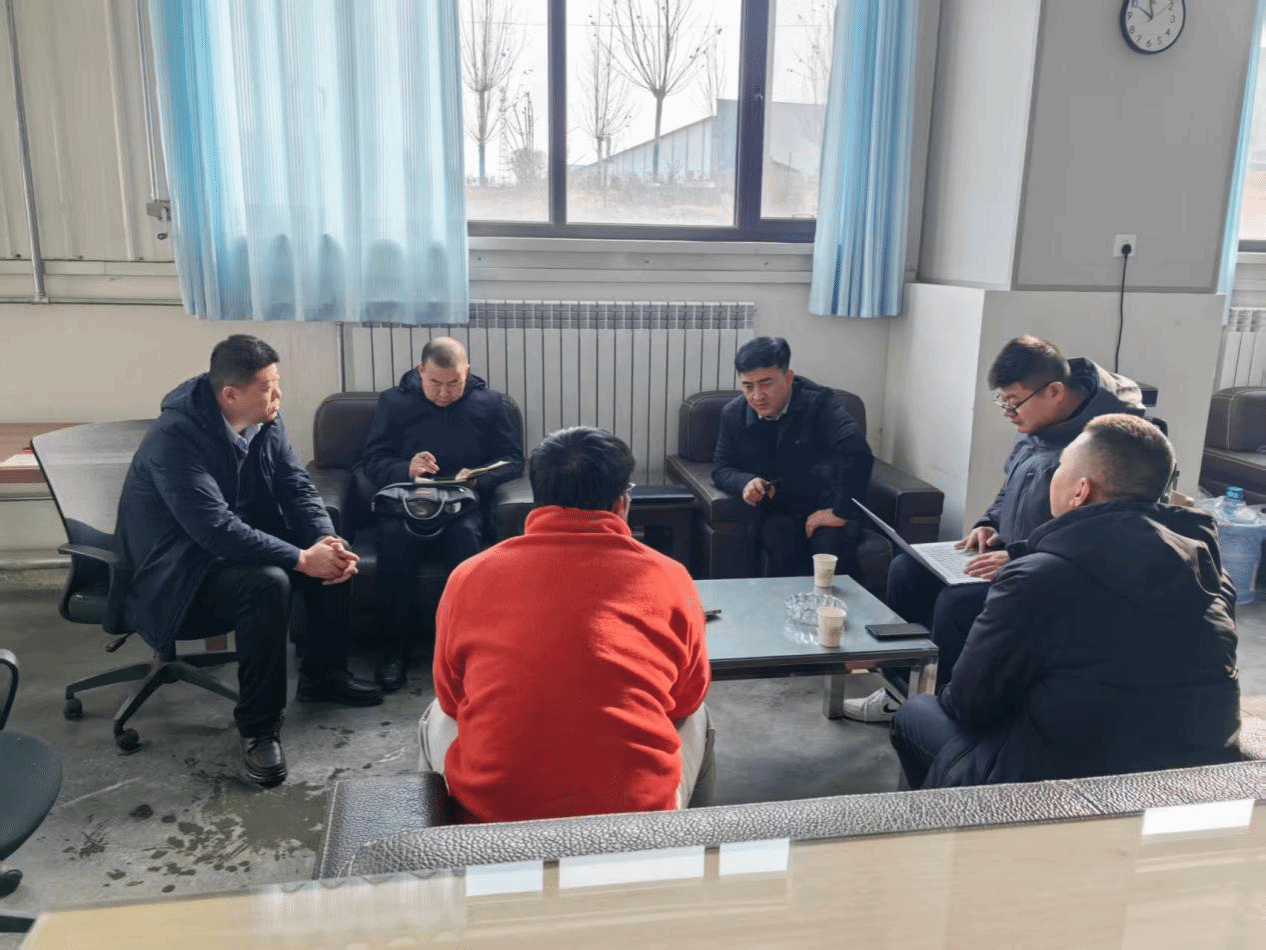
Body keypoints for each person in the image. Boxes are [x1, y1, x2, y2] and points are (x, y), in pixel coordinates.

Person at [889, 413, 1241, 788]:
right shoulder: (1213, 576)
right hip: (1192, 775)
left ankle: (945, 820)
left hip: (1065, 785)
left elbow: (967, 705)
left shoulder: (1036, 580)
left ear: (1080, 491)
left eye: (1059, 468)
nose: (1053, 477)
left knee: (916, 711)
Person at [115, 334, 383, 788]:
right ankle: (259, 728)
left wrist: (324, 540)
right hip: (180, 570)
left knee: (334, 554)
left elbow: (296, 485)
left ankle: (323, 675)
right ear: (230, 395)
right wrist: (301, 558)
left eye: (277, 383)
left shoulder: (264, 419)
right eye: (267, 388)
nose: (278, 395)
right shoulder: (174, 439)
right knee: (267, 583)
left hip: (231, 546)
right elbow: (214, 529)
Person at [419, 426, 713, 823]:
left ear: (536, 497)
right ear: (622, 502)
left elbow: (453, 698)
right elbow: (686, 698)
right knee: (699, 716)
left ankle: (437, 844)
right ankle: (689, 843)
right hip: (633, 818)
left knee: (436, 713)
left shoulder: (469, 576)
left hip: (495, 818)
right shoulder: (671, 576)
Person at [845, 336, 1145, 722]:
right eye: (1002, 401)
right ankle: (900, 692)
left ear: (1054, 391)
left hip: (1053, 572)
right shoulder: (1038, 422)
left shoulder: (1107, 445)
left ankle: (943, 709)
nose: (1007, 412)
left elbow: (1095, 534)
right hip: (1011, 554)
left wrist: (1019, 555)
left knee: (957, 603)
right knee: (906, 570)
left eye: (1013, 401)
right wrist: (988, 524)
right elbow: (1008, 491)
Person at [354, 337, 524, 691]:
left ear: (467, 372)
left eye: (454, 383)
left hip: (462, 504)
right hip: (406, 503)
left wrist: (478, 479)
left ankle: (469, 653)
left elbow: (513, 461)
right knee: (395, 546)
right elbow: (372, 461)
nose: (444, 393)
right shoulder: (394, 402)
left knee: (466, 548)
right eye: (435, 383)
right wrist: (406, 468)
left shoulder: (491, 405)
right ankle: (394, 652)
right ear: (421, 371)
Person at [711, 336, 874, 581]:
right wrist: (746, 482)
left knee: (829, 553)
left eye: (766, 383)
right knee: (780, 543)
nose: (757, 396)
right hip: (780, 512)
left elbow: (858, 450)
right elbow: (721, 467)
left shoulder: (819, 403)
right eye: (748, 386)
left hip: (824, 505)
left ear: (788, 377)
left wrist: (840, 512)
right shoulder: (733, 414)